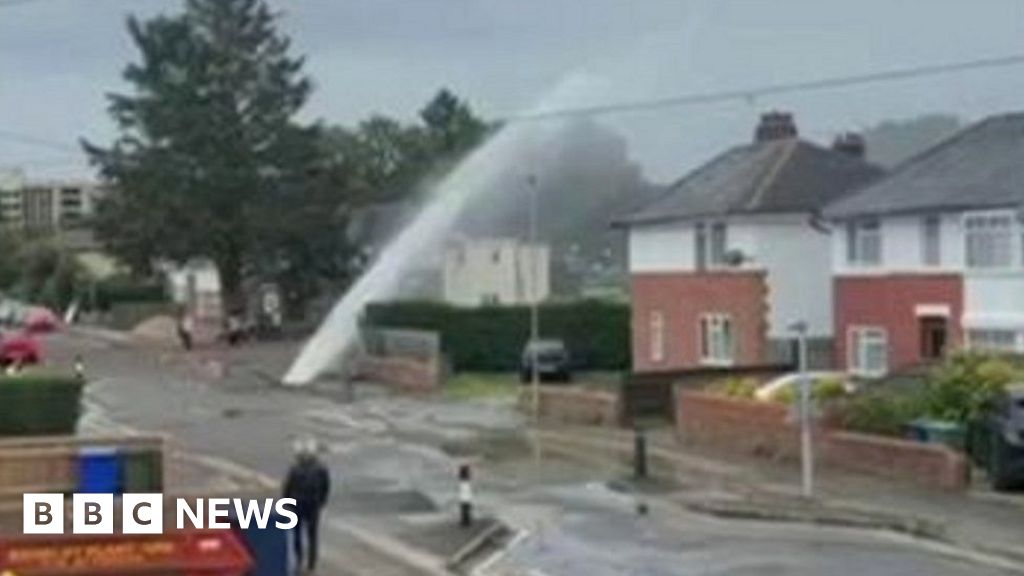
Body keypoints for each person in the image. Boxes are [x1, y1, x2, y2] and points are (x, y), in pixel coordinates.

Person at [283, 437, 330, 574]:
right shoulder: (321, 469)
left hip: (297, 505)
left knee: (297, 535)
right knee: (312, 536)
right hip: (313, 505)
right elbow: (325, 487)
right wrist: (321, 502)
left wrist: (286, 503)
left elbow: (287, 488)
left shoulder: (295, 469)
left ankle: (299, 561)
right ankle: (311, 565)